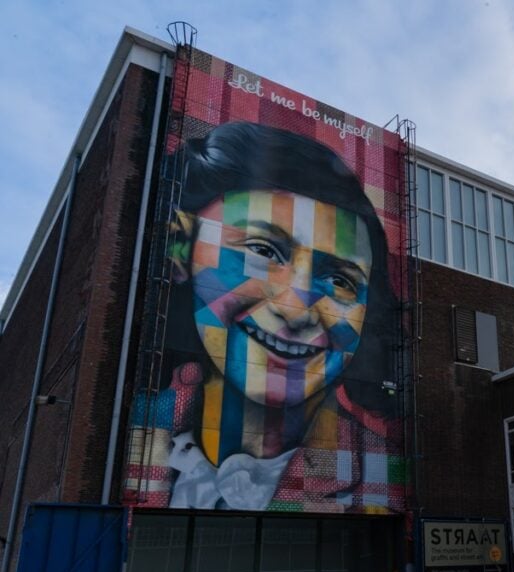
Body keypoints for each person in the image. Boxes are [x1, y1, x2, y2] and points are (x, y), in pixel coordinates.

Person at [127, 122, 400, 512]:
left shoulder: (382, 477)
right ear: (182, 247)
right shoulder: (133, 426)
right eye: (263, 251)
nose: (296, 308)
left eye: (340, 280)